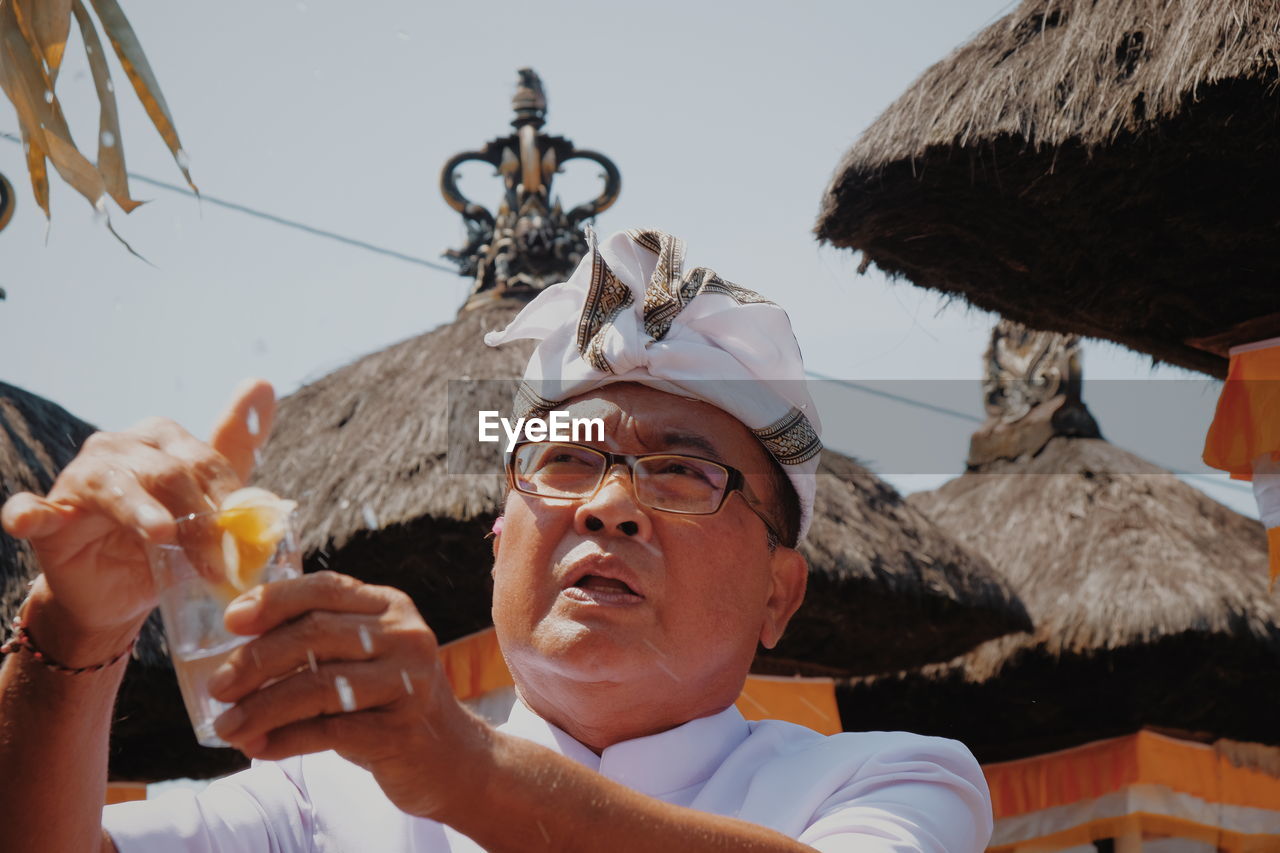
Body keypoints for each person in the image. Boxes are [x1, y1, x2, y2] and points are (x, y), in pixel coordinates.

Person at [0, 229, 992, 852]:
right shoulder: (321, 800)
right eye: (563, 463)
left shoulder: (887, 781)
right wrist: (70, 632)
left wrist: (462, 768)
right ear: (495, 542)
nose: (608, 506)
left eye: (682, 471)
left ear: (781, 593)